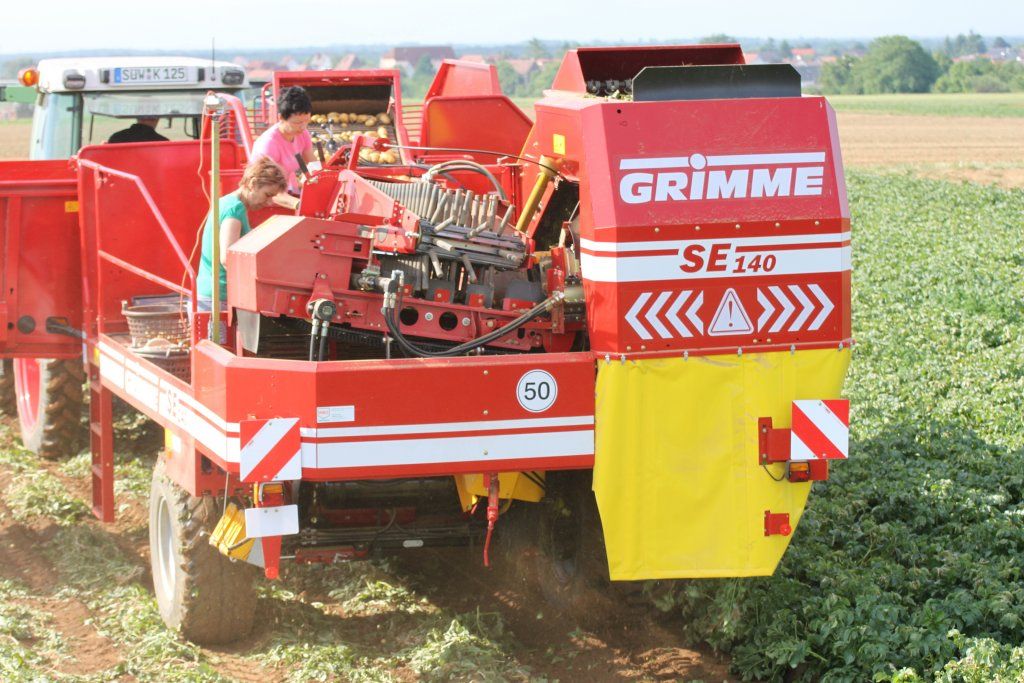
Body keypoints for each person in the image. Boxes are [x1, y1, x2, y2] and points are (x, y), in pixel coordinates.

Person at [196, 156, 288, 309]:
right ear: (252, 184)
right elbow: (227, 258)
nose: (269, 202)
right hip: (220, 297)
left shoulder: (225, 202)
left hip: (210, 294)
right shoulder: (235, 208)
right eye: (267, 195)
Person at [250, 86, 316, 197]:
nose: (303, 126)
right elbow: (268, 189)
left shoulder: (303, 134)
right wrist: (297, 204)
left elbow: (313, 163)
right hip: (264, 198)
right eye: (297, 122)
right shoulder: (269, 144)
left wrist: (317, 177)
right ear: (281, 117)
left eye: (306, 121)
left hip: (290, 191)